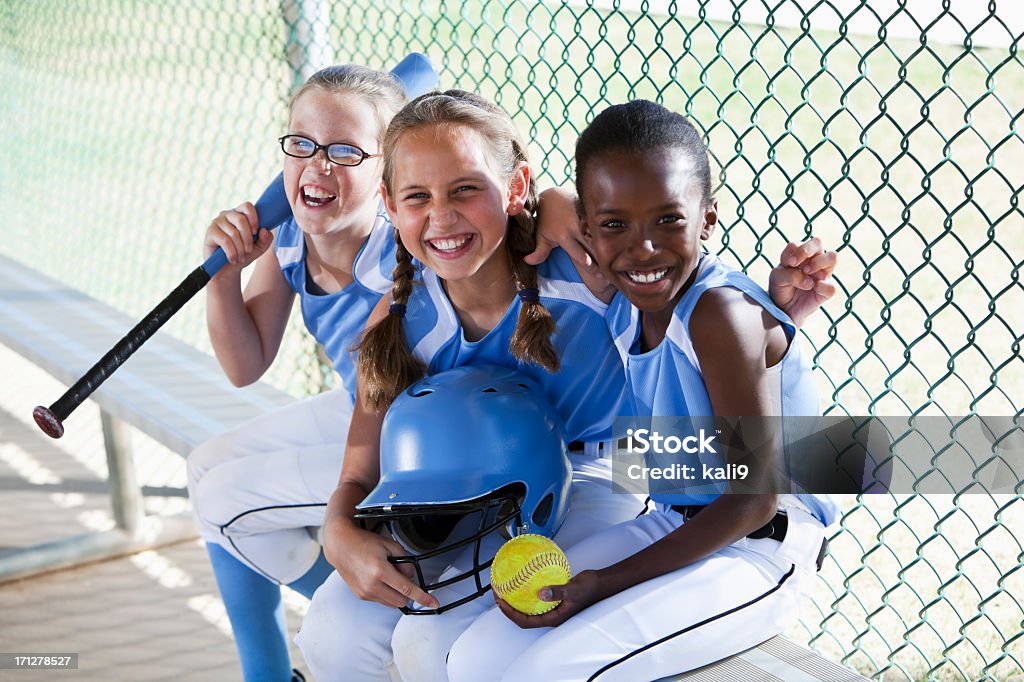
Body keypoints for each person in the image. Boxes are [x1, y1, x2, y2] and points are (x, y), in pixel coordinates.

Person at [295, 91, 837, 681]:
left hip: (755, 537)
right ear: (390, 207)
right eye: (610, 227)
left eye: (466, 190)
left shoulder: (622, 288)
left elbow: (756, 489)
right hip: (674, 510)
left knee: (519, 663)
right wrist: (338, 530)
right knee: (444, 648)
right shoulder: (629, 298)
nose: (640, 247)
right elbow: (714, 440)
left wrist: (769, 326)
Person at [185, 64, 407, 682]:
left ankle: (364, 596)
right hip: (354, 405)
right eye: (302, 144)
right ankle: (272, 666)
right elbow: (245, 364)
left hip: (402, 432)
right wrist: (222, 273)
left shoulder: (402, 249)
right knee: (204, 464)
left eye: (344, 151)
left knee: (223, 503)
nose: (318, 165)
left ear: (388, 175)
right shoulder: (287, 237)